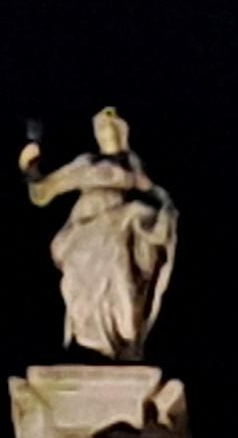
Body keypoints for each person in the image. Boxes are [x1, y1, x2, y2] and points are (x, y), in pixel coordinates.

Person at [18, 107, 180, 360]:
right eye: (101, 128)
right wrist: (30, 165)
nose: (105, 133)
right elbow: (44, 190)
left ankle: (122, 339)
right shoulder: (87, 163)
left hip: (120, 226)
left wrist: (166, 210)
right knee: (82, 285)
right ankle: (91, 345)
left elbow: (157, 195)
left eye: (110, 127)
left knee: (121, 279)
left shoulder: (131, 164)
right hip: (87, 229)